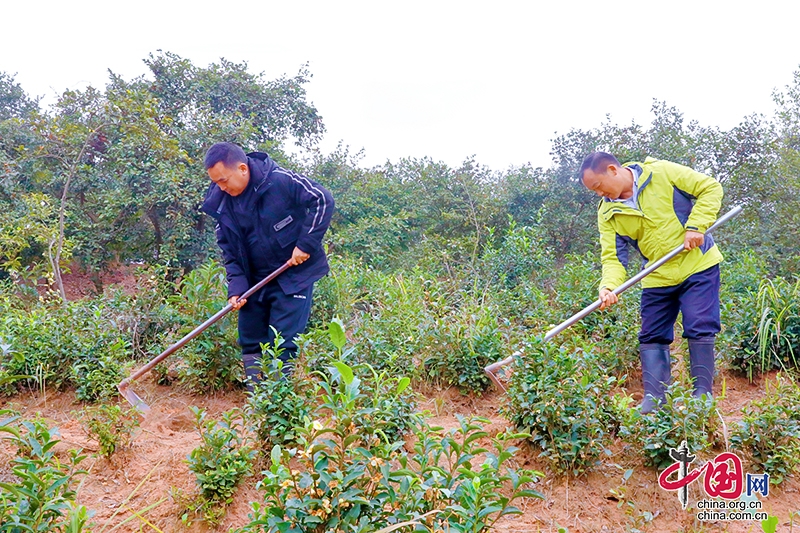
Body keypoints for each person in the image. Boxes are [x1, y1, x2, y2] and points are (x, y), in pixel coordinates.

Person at [579, 152, 723, 413]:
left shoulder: (662, 172)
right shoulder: (608, 213)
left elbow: (710, 187)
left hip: (697, 264)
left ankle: (702, 396)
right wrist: (609, 286)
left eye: (598, 186)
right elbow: (612, 257)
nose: (599, 194)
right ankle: (655, 401)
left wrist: (696, 226)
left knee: (699, 324)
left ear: (613, 170)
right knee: (651, 334)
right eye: (594, 192)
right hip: (656, 274)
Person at [201, 142, 334, 391]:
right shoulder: (220, 203)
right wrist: (237, 288)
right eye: (216, 182)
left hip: (292, 275)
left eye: (224, 180)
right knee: (250, 339)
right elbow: (229, 252)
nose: (221, 187)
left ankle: (277, 403)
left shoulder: (279, 181)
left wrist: (306, 244)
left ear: (242, 169)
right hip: (254, 281)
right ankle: (258, 399)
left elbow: (322, 199)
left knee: (282, 342)